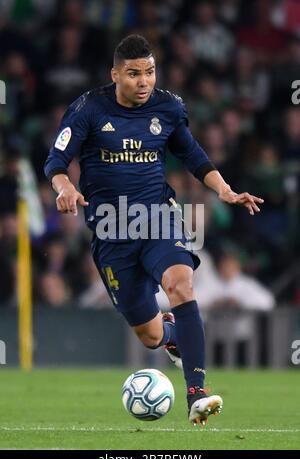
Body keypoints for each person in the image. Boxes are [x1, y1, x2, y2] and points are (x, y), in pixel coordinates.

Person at [44, 35, 264, 425]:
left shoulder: (168, 106)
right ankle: (172, 336)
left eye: (149, 71)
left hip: (158, 218)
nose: (143, 81)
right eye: (133, 74)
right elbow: (55, 162)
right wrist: (66, 189)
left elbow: (192, 154)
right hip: (111, 233)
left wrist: (224, 189)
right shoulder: (88, 110)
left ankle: (197, 392)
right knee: (148, 334)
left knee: (181, 283)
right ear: (115, 75)